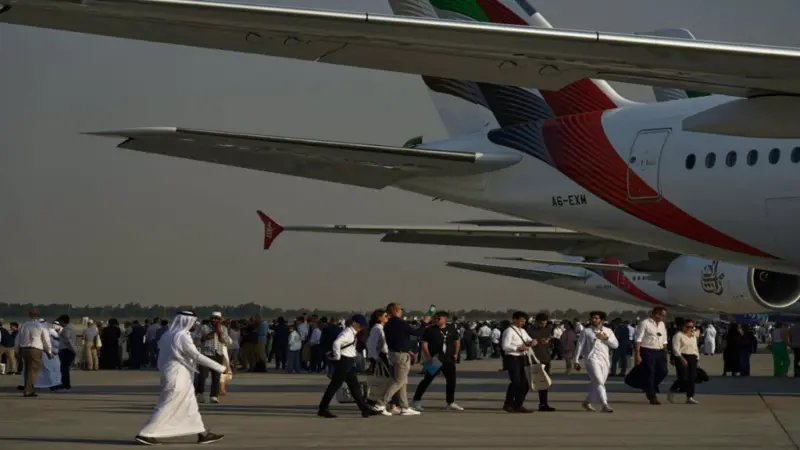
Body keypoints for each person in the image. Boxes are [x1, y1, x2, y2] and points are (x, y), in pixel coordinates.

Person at [135, 311, 227, 445]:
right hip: (178, 376)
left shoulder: (168, 334)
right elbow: (196, 355)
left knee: (190, 406)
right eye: (193, 322)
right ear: (187, 321)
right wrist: (221, 368)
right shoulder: (182, 336)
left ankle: (202, 434)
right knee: (167, 405)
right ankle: (145, 434)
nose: (195, 325)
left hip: (176, 375)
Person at [317, 314, 377, 418]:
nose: (362, 327)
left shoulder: (352, 333)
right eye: (360, 325)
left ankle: (364, 409)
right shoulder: (347, 333)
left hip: (348, 361)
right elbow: (336, 343)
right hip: (344, 361)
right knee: (335, 385)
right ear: (354, 323)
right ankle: (323, 408)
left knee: (354, 386)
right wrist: (337, 356)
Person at [412, 311, 463, 411]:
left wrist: (456, 354)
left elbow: (457, 342)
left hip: (448, 359)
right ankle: (416, 401)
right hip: (435, 359)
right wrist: (428, 357)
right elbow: (424, 344)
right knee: (427, 380)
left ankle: (450, 402)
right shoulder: (430, 330)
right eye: (435, 318)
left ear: (445, 319)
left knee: (451, 381)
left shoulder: (451, 329)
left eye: (439, 318)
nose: (436, 320)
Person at [379, 303, 423, 415]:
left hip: (394, 353)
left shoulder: (388, 323)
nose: (402, 311)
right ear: (396, 310)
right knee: (399, 381)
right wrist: (425, 323)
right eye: (400, 309)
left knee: (402, 381)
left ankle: (404, 407)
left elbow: (398, 339)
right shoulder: (400, 323)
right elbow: (417, 333)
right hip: (401, 355)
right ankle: (381, 403)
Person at [574, 311, 618, 412]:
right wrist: (576, 360)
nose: (593, 320)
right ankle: (604, 404)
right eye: (592, 318)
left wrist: (606, 338)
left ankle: (587, 402)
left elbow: (615, 345)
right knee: (598, 381)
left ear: (602, 320)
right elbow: (579, 346)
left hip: (605, 360)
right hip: (591, 359)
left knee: (598, 383)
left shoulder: (608, 331)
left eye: (596, 318)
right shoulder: (586, 331)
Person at [500, 311, 534, 413]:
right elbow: (505, 346)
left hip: (522, 358)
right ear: (515, 319)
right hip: (512, 358)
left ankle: (518, 404)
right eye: (521, 321)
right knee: (516, 382)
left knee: (525, 383)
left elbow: (529, 340)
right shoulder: (509, 331)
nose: (523, 323)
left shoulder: (522, 331)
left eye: (524, 321)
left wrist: (533, 342)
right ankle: (508, 404)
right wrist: (517, 348)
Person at [14, 310, 53, 397]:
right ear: (39, 315)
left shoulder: (24, 325)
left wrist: (16, 350)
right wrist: (49, 351)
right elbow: (46, 340)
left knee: (27, 370)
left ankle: (29, 389)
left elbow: (17, 339)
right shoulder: (41, 325)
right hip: (35, 349)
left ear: (29, 315)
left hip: (24, 349)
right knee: (33, 370)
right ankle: (28, 390)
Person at [634, 307, 669, 405]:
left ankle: (649, 386)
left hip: (660, 350)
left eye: (664, 316)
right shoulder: (645, 323)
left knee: (663, 371)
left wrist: (665, 350)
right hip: (647, 350)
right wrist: (637, 354)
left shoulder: (662, 324)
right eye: (662, 315)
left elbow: (664, 338)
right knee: (650, 373)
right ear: (655, 314)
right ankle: (652, 396)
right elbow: (638, 339)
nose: (663, 317)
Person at [195, 312, 232, 404]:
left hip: (218, 354)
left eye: (217, 319)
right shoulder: (204, 327)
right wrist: (209, 334)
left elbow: (227, 341)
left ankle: (214, 396)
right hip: (206, 354)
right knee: (202, 376)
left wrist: (220, 333)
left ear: (220, 320)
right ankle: (200, 394)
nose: (214, 320)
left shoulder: (223, 328)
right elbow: (198, 339)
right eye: (213, 318)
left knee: (216, 376)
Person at [668, 319, 700, 404]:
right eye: (687, 326)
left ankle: (690, 397)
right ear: (683, 326)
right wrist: (681, 359)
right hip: (681, 356)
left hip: (692, 357)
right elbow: (675, 348)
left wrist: (697, 358)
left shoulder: (693, 336)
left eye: (691, 327)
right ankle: (672, 390)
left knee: (692, 378)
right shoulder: (678, 335)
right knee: (683, 377)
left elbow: (695, 348)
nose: (689, 328)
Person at [528, 313, 555, 411]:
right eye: (541, 323)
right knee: (530, 382)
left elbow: (550, 343)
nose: (543, 325)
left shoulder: (548, 330)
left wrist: (549, 342)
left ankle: (543, 404)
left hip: (546, 358)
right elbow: (527, 343)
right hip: (535, 359)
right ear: (536, 322)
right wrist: (538, 341)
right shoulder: (529, 330)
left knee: (545, 382)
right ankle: (518, 403)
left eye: (545, 323)